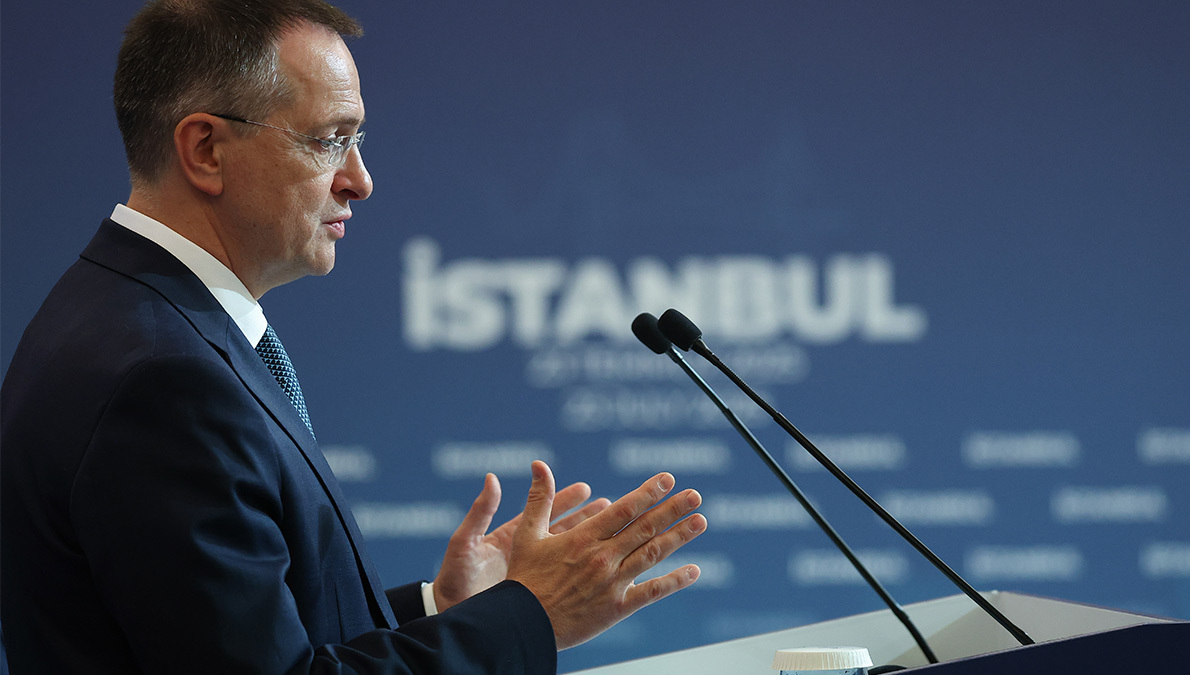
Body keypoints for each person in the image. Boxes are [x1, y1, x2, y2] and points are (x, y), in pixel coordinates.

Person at [0, 1, 707, 673]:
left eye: (356, 139)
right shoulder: (162, 380)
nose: (359, 181)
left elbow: (239, 636)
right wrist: (532, 614)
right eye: (329, 140)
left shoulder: (132, 315)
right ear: (206, 149)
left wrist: (443, 608)